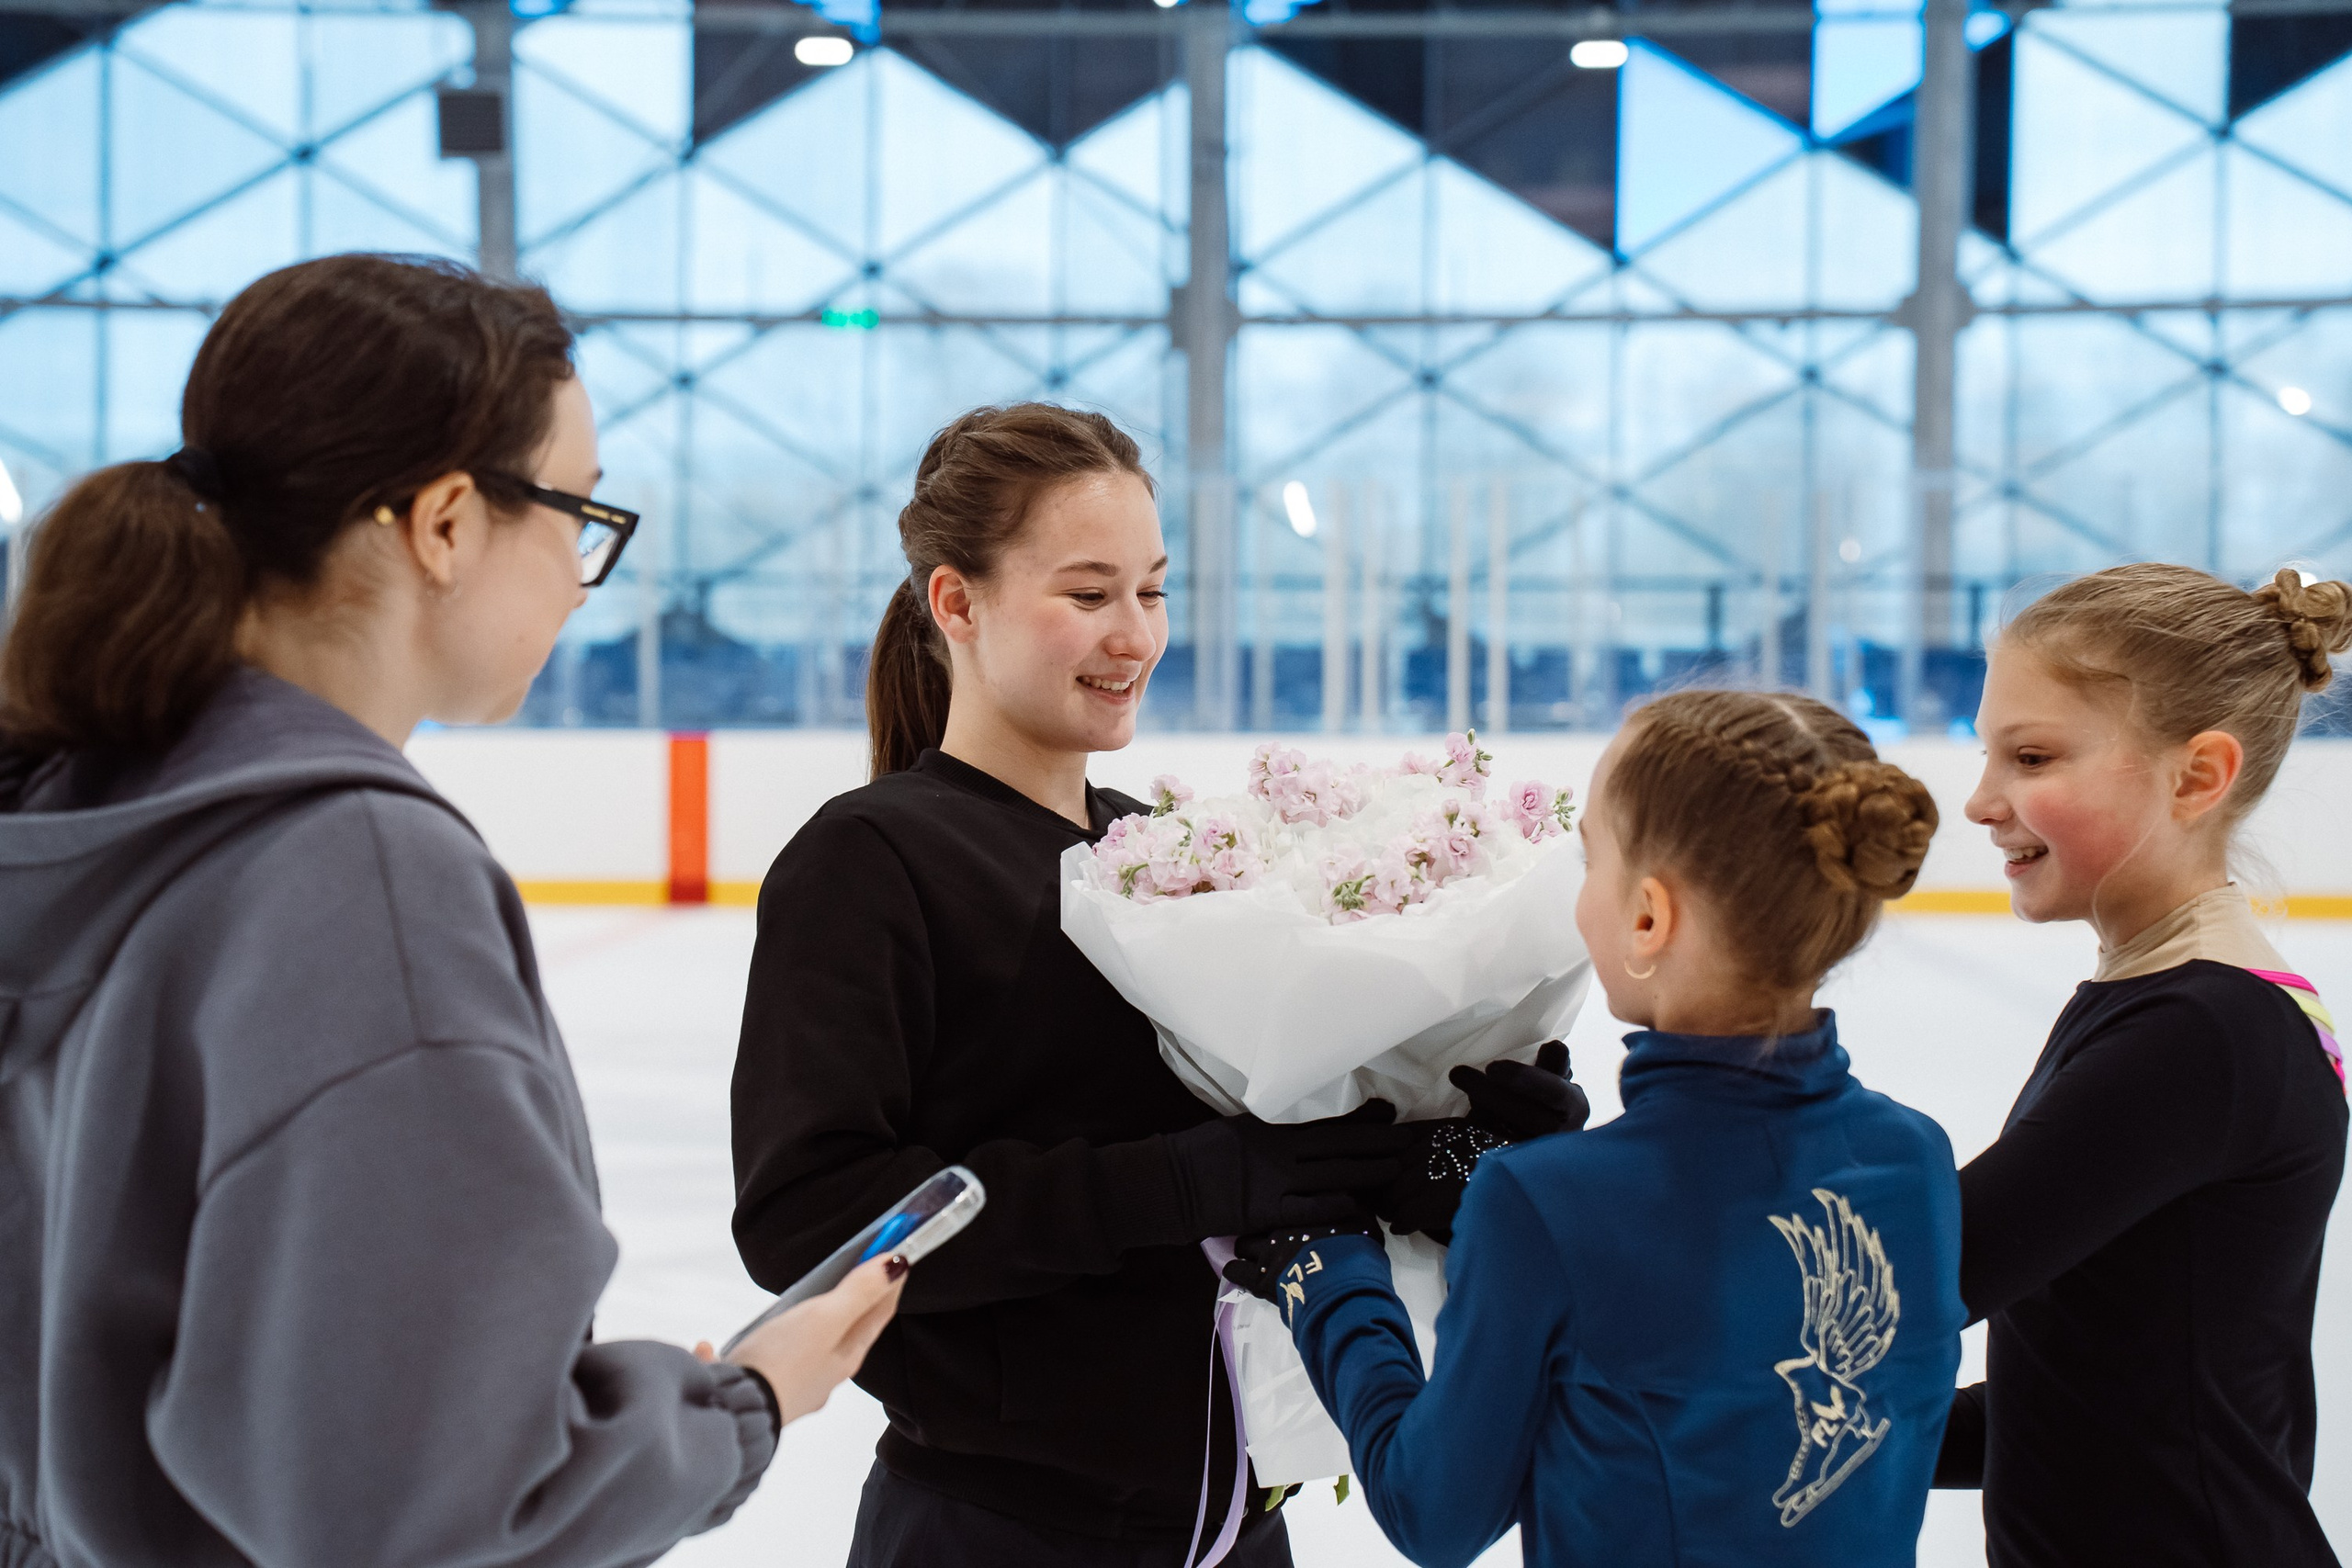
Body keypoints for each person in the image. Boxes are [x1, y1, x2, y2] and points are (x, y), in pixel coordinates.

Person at [0, 254, 899, 1568]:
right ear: (444, 523)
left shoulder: (75, 814)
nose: (583, 572)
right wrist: (741, 1404)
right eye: (578, 513)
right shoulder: (355, 875)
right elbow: (431, 1504)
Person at [729, 403, 1586, 1568]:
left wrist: (1449, 1140)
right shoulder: (871, 860)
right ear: (955, 603)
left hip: (1237, 1527)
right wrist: (1167, 1187)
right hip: (1003, 1534)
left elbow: (1272, 1155)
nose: (1133, 633)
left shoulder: (1163, 856)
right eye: (1087, 595)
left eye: (1153, 590)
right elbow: (807, 1220)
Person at [1226, 690, 1966, 1568]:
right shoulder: (1915, 1159)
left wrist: (1329, 1268)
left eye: (1589, 862)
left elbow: (1434, 1512)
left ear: (1648, 916)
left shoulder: (1546, 1206)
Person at [1934, 563, 2352, 1566]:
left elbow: (1907, 1280)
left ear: (2197, 776)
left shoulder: (2200, 1034)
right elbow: (2106, 1396)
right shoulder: (2174, 1005)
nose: (1981, 803)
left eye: (2030, 757)